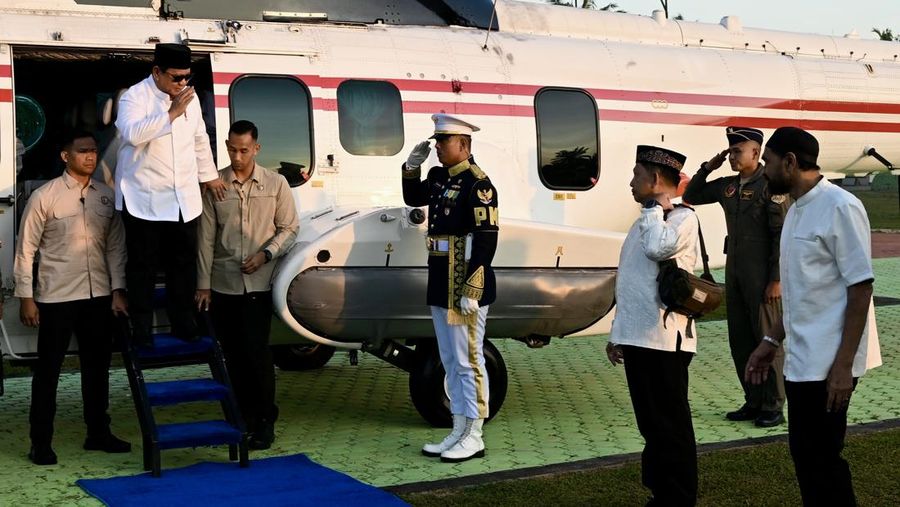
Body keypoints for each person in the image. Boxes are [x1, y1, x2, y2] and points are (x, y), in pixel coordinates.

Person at [746, 127, 881, 506]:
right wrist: (770, 341)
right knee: (806, 458)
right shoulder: (795, 210)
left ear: (790, 162)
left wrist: (843, 367)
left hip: (829, 364)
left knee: (823, 461)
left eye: (768, 162)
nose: (763, 170)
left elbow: (860, 289)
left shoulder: (840, 207)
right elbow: (799, 293)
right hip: (801, 362)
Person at [14, 130, 131, 465]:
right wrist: (26, 297)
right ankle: (40, 443)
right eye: (83, 151)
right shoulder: (45, 196)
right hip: (57, 297)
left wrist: (118, 290)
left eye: (94, 150)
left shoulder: (106, 197)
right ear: (65, 156)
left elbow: (116, 248)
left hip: (99, 297)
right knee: (48, 371)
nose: (91, 156)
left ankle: (98, 433)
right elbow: (25, 250)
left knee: (98, 369)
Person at [195, 120, 299, 450]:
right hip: (223, 284)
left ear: (256, 148)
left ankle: (265, 421)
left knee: (258, 355)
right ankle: (243, 418)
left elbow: (289, 228)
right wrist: (203, 285)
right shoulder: (215, 185)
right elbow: (205, 238)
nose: (237, 157)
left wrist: (266, 254)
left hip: (258, 284)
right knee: (233, 356)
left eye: (243, 150)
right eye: (232, 150)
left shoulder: (276, 183)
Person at [402, 114, 499, 463]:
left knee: (468, 360)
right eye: (437, 141)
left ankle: (475, 434)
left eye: (444, 141)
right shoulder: (439, 177)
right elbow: (414, 196)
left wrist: (473, 288)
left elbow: (486, 239)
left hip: (462, 283)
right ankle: (459, 428)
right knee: (449, 359)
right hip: (441, 280)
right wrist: (410, 168)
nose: (438, 147)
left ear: (463, 144)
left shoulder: (478, 185)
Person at [115, 43, 226, 346]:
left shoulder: (190, 97)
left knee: (183, 265)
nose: (182, 83)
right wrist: (172, 113)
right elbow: (132, 134)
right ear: (157, 72)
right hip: (144, 197)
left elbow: (200, 139)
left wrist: (210, 176)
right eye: (176, 77)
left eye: (187, 77)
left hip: (183, 197)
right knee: (143, 268)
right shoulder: (135, 97)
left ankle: (183, 323)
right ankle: (141, 329)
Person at [606, 146, 699, 506]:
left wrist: (654, 209)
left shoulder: (682, 218)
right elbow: (630, 282)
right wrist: (618, 334)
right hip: (639, 337)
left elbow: (658, 250)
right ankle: (661, 494)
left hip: (664, 339)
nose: (631, 182)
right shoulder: (649, 219)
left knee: (670, 425)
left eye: (637, 175)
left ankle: (678, 498)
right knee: (651, 424)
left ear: (656, 179)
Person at [683, 126, 789, 427]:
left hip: (762, 275)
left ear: (756, 153)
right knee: (740, 340)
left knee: (766, 337)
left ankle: (773, 404)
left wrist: (777, 279)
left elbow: (781, 237)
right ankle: (753, 401)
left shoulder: (771, 186)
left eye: (737, 151)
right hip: (736, 271)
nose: (731, 156)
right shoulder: (728, 186)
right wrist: (708, 167)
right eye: (729, 151)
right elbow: (691, 195)